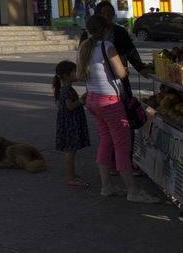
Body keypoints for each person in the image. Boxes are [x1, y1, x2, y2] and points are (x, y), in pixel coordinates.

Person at [77, 16, 158, 203]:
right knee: (122, 145)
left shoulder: (83, 49)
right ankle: (133, 190)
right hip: (110, 101)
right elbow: (121, 73)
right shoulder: (107, 47)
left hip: (93, 99)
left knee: (106, 141)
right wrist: (123, 71)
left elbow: (80, 74)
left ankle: (107, 185)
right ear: (106, 29)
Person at [53, 60, 90, 188]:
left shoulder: (66, 89)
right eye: (75, 72)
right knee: (71, 151)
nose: (78, 74)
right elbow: (70, 106)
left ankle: (73, 175)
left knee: (72, 150)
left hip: (70, 122)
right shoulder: (67, 90)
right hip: (70, 124)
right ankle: (70, 176)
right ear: (66, 75)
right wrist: (82, 99)